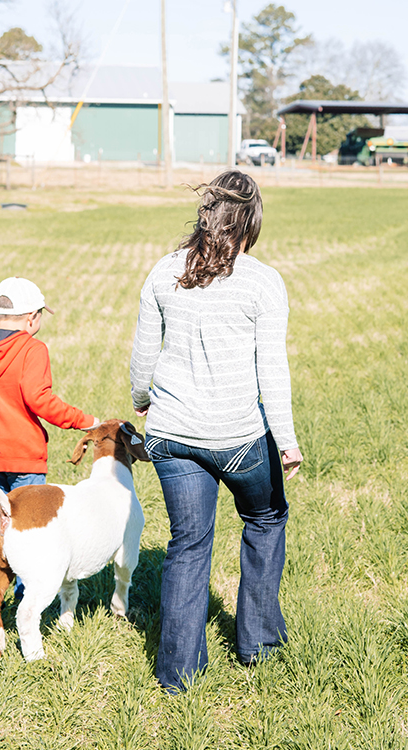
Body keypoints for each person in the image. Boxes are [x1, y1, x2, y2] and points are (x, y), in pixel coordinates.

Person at [130, 169, 303, 693]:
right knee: (267, 517)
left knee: (188, 542)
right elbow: (273, 370)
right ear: (250, 222)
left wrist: (142, 403)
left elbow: (143, 358)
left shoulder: (164, 271)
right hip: (239, 439)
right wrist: (288, 442)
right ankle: (259, 644)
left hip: (171, 435)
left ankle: (177, 674)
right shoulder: (262, 280)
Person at [0, 276, 97, 600]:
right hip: (21, 453)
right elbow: (40, 400)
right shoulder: (32, 349)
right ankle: (26, 596)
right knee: (25, 528)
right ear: (32, 318)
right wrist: (84, 420)